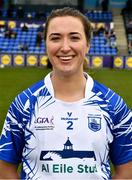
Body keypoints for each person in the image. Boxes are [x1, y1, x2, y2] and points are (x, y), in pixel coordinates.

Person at [0, 7, 132, 179]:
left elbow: (127, 171)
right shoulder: (24, 104)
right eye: (55, 38)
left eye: (74, 37)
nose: (65, 47)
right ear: (45, 44)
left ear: (88, 44)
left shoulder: (114, 105)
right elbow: (4, 169)